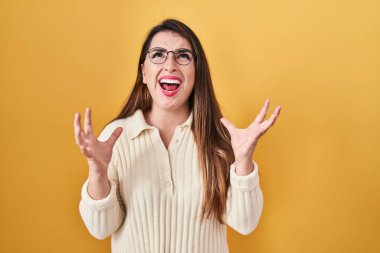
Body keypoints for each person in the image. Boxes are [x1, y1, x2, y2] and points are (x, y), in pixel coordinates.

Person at [74, 18, 281, 253]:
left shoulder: (218, 138)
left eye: (183, 55)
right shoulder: (117, 137)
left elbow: (245, 223)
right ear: (144, 71)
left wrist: (243, 163)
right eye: (158, 54)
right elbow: (100, 228)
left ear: (196, 73)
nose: (170, 64)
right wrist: (98, 173)